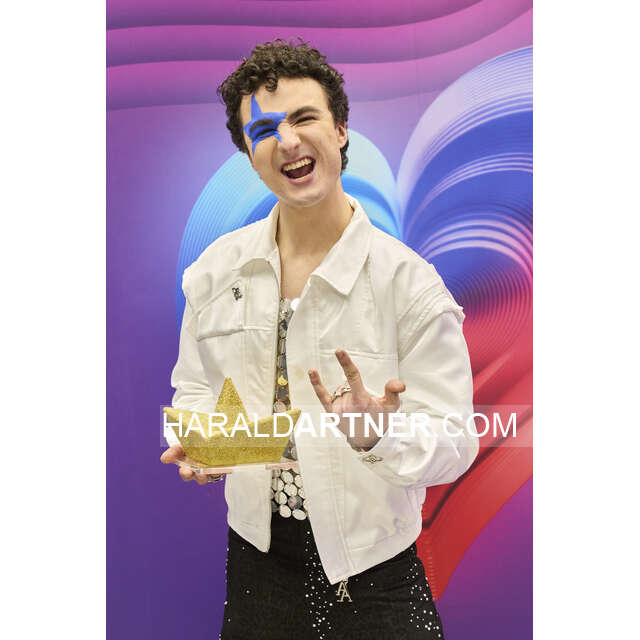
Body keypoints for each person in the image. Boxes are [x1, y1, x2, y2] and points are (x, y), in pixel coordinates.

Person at [161, 39, 478, 639]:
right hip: (256, 565)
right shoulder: (214, 272)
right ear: (249, 155)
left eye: (305, 118)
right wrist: (203, 443)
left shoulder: (409, 283)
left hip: (376, 574)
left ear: (340, 130)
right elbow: (195, 388)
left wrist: (378, 434)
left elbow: (456, 442)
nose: (287, 141)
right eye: (263, 130)